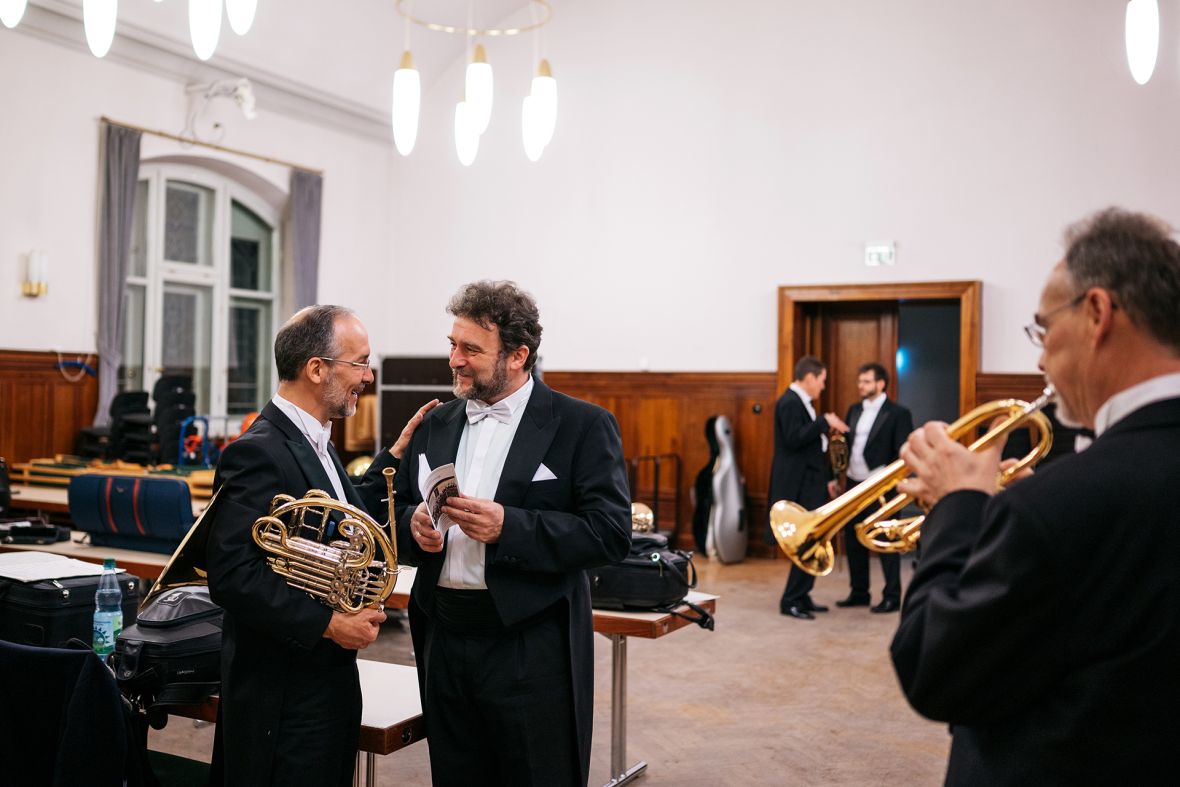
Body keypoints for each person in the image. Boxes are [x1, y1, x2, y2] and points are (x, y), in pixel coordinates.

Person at [891, 208, 1180, 784]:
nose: (1041, 359)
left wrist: (958, 507)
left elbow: (934, 668)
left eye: (1043, 330)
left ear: (1097, 313)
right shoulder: (1059, 502)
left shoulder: (1059, 504)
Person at [383, 280, 631, 786]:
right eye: (452, 345)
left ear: (518, 355)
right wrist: (413, 529)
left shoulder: (581, 425)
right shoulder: (435, 424)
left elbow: (609, 533)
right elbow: (402, 507)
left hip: (530, 642)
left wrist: (510, 527)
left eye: (471, 349)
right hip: (443, 638)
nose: (454, 360)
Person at [206, 305, 435, 787]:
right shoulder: (258, 450)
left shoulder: (317, 441)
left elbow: (344, 523)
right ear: (317, 368)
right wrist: (329, 624)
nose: (368, 377)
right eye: (360, 362)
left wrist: (394, 455)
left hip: (320, 683)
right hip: (282, 695)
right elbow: (231, 576)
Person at [769, 355, 848, 619]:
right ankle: (790, 600)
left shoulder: (803, 403)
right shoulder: (789, 402)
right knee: (806, 542)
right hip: (798, 485)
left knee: (814, 540)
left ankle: (802, 596)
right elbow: (793, 440)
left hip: (811, 482)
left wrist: (827, 480)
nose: (823, 386)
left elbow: (812, 447)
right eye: (822, 380)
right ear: (810, 377)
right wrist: (824, 422)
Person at [832, 362, 913, 613]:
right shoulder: (853, 409)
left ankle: (891, 596)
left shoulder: (898, 413)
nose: (861, 385)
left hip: (882, 485)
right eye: (860, 381)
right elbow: (847, 445)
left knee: (885, 540)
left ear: (881, 384)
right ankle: (859, 592)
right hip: (854, 483)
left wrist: (888, 479)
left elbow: (903, 451)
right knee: (855, 539)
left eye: (866, 381)